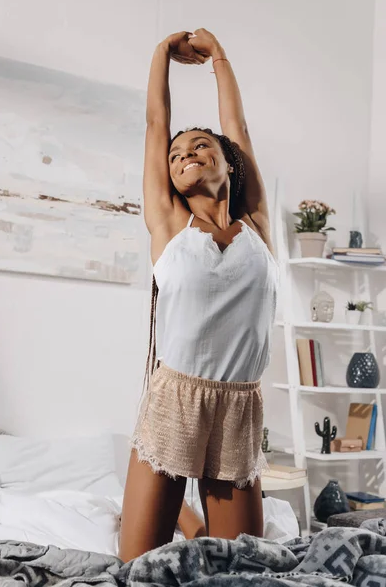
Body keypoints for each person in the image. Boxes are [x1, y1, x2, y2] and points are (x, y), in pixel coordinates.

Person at [119, 28, 278, 563]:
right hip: (176, 401)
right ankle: (186, 516)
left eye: (201, 146)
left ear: (227, 162)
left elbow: (238, 126)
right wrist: (161, 52)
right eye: (176, 155)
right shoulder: (168, 225)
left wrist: (220, 57)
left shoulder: (257, 224)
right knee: (136, 568)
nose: (186, 154)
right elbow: (154, 124)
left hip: (239, 408)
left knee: (244, 569)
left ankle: (194, 524)